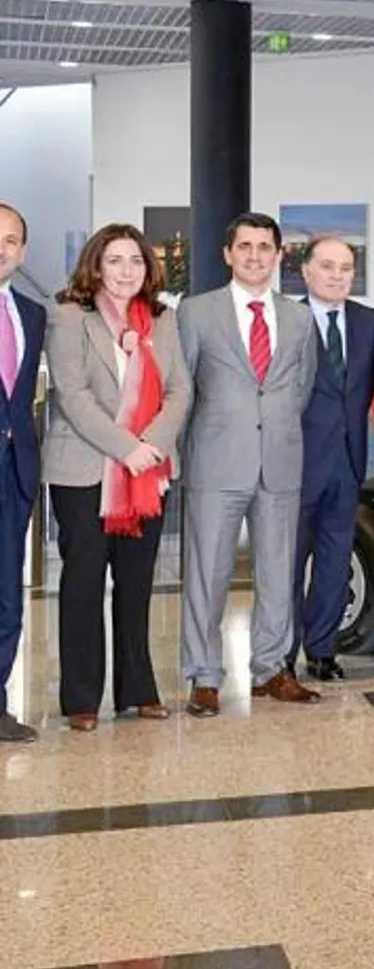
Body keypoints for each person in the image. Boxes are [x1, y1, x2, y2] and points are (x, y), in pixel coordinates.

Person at [44, 224, 191, 729]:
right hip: (83, 470)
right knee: (84, 581)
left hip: (148, 471)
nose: (127, 270)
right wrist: (125, 448)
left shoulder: (162, 320)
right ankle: (82, 698)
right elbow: (71, 393)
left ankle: (138, 689)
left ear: (148, 270)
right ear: (96, 265)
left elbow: (180, 391)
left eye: (136, 261)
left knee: (137, 581)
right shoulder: (68, 317)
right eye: (115, 260)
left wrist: (150, 447)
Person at [175, 212, 322, 717]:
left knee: (279, 572)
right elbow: (184, 389)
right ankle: (204, 676)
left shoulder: (299, 318)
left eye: (265, 247)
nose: (255, 256)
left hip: (280, 461)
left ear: (279, 256)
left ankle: (271, 669)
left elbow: (300, 389)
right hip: (215, 464)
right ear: (227, 254)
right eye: (245, 247)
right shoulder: (196, 313)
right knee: (206, 575)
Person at [291, 237, 374, 682]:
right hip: (296, 461)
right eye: (326, 266)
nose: (336, 275)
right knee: (287, 563)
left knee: (334, 561)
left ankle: (323, 650)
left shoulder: (369, 322)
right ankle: (280, 653)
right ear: (306, 271)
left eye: (345, 267)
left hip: (348, 463)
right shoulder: (287, 317)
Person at [0, 203, 46, 742]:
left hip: (15, 472)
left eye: (12, 240)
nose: (3, 247)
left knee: (7, 598)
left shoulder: (31, 315)